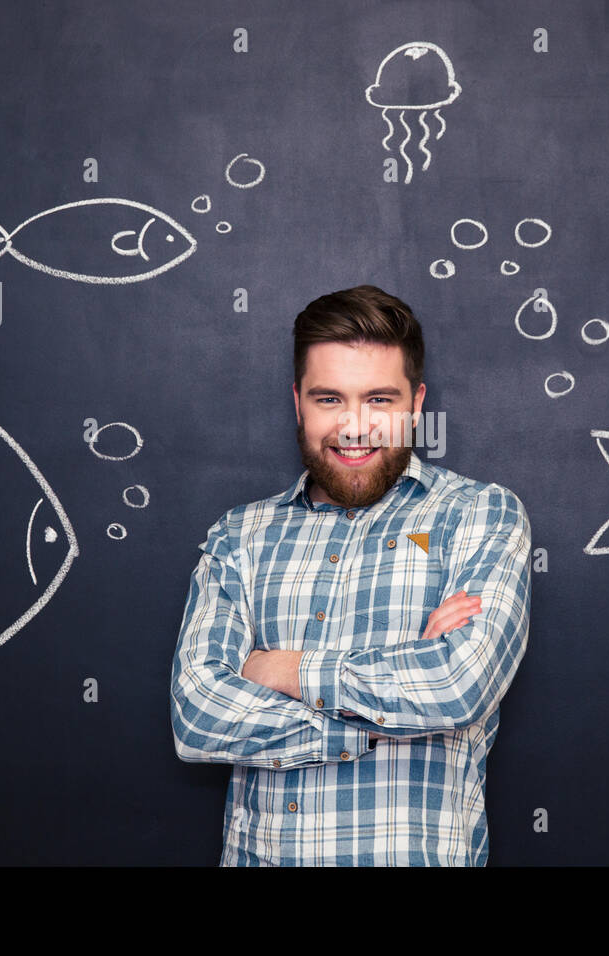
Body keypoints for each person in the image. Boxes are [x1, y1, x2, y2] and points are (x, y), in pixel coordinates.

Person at [170, 285, 531, 866]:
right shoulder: (239, 536)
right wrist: (390, 721)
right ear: (298, 404)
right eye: (329, 399)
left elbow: (459, 686)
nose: (355, 426)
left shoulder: (480, 516)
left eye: (380, 400)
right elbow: (198, 717)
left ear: (416, 405)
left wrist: (279, 668)